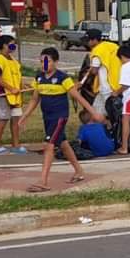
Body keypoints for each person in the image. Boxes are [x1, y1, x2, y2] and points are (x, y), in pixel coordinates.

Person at [18, 47, 103, 192]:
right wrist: (25, 116)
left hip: (60, 117)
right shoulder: (39, 77)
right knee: (63, 143)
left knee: (49, 146)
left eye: (47, 61)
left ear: (56, 62)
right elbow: (34, 99)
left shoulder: (63, 78)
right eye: (41, 61)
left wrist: (93, 112)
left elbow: (78, 97)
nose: (44, 64)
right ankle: (79, 171)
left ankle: (43, 181)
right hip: (47, 117)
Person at [0, 35, 25, 154]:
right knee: (3, 118)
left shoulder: (14, 61)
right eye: (12, 43)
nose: (14, 46)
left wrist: (21, 86)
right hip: (1, 94)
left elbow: (17, 76)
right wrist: (11, 88)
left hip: (15, 96)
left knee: (16, 119)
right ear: (4, 45)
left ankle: (16, 145)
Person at [84, 29, 120, 115]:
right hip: (116, 83)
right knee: (96, 111)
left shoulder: (97, 50)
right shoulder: (113, 46)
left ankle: (111, 126)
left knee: (110, 113)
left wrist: (89, 72)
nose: (87, 43)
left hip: (106, 87)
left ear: (95, 40)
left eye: (88, 40)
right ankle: (102, 126)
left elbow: (94, 70)